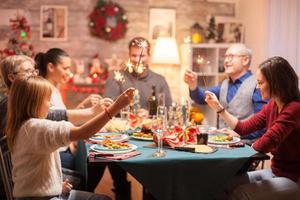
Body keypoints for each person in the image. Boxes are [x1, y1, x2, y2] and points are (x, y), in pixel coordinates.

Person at [5, 76, 134, 199]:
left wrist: (56, 186)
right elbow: (83, 133)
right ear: (33, 102)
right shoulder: (35, 128)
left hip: (36, 194)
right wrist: (116, 107)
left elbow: (33, 171)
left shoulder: (23, 126)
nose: (50, 105)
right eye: (47, 100)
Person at [0, 55, 112, 192]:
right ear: (12, 78)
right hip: (31, 179)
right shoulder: (21, 114)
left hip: (33, 174)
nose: (34, 75)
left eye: (34, 71)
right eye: (28, 71)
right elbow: (56, 117)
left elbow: (56, 119)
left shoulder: (23, 110)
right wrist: (105, 111)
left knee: (93, 155)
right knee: (95, 158)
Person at [205, 56, 300, 199]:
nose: (257, 87)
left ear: (275, 83)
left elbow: (268, 142)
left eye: (260, 83)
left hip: (294, 178)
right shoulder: (272, 106)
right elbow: (244, 128)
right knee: (224, 184)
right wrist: (219, 109)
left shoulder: (294, 109)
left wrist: (242, 143)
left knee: (241, 193)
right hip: (275, 172)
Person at [35, 48, 111, 171]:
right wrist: (94, 112)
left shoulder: (54, 89)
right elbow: (52, 117)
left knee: (100, 155)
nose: (69, 73)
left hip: (64, 149)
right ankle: (84, 188)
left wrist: (83, 104)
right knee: (99, 157)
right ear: (50, 67)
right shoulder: (44, 91)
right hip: (56, 155)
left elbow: (62, 118)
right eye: (65, 68)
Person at [184, 43, 267, 140]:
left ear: (245, 60)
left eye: (231, 56)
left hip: (246, 147)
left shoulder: (257, 85)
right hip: (222, 143)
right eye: (225, 57)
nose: (226, 60)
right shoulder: (224, 84)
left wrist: (239, 133)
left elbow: (263, 125)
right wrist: (192, 84)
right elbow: (202, 98)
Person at [105, 36, 172, 112]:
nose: (138, 60)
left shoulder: (159, 80)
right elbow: (107, 108)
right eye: (134, 55)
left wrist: (149, 114)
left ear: (148, 56)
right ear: (129, 56)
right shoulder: (115, 77)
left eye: (142, 56)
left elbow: (168, 109)